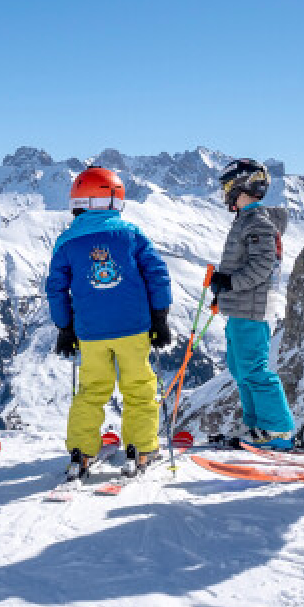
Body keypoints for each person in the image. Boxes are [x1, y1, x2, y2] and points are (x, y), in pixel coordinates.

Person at [46, 167, 172, 479]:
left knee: (92, 390)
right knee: (139, 388)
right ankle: (142, 447)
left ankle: (81, 450)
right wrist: (160, 317)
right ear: (117, 201)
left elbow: (56, 288)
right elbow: (157, 274)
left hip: (91, 332)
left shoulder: (66, 241)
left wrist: (65, 327)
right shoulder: (132, 234)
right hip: (134, 327)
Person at [209, 158, 297, 450]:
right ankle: (258, 426)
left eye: (227, 188)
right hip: (240, 306)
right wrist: (223, 285)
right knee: (239, 369)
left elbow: (262, 266)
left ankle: (279, 430)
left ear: (241, 186)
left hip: (252, 308)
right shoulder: (246, 220)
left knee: (254, 370)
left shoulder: (258, 222)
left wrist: (230, 283)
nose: (225, 195)